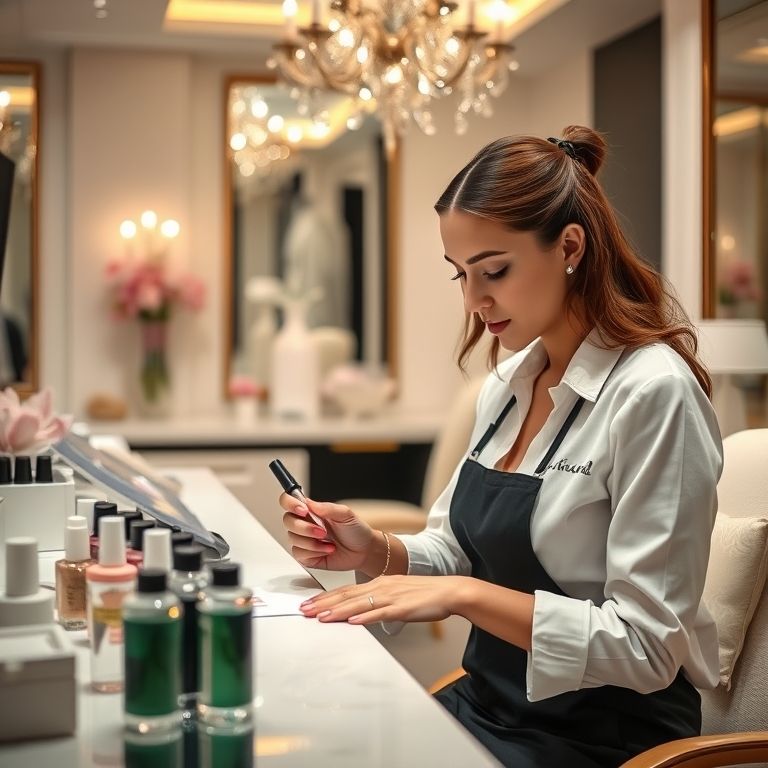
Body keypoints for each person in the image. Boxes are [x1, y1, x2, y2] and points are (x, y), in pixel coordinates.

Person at [279, 125, 723, 768]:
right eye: (460, 275)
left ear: (570, 246)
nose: (474, 299)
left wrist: (465, 595)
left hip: (599, 738)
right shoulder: (508, 385)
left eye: (494, 271)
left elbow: (648, 648)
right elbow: (456, 548)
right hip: (488, 704)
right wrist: (376, 550)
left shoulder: (653, 394)